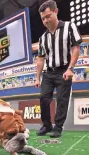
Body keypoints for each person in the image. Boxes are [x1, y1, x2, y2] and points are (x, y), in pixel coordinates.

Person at [35, 0, 82, 137]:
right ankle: (46, 125)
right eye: (43, 18)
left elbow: (76, 48)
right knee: (43, 97)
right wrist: (37, 77)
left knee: (62, 99)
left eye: (48, 16)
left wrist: (70, 68)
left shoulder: (69, 26)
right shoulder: (42, 38)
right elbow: (40, 59)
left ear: (56, 12)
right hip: (48, 73)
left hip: (64, 71)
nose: (45, 20)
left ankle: (58, 127)